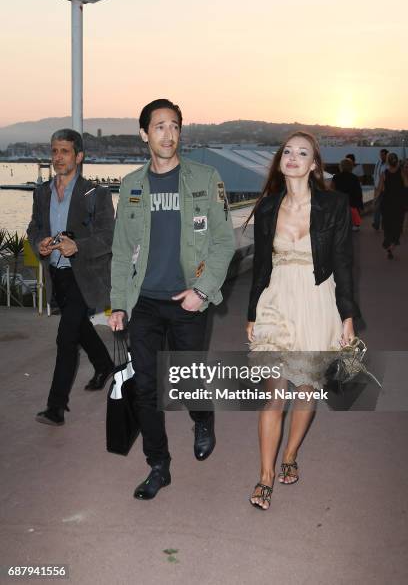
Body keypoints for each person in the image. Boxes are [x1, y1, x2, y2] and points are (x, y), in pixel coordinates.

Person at [108, 99, 235, 500]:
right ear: (144, 133)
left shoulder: (205, 177)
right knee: (147, 388)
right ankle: (158, 465)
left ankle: (202, 417)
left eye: (175, 126)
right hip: (144, 301)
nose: (168, 134)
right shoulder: (131, 185)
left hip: (187, 301)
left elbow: (223, 240)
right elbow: (120, 249)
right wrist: (118, 303)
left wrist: (202, 291)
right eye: (159, 126)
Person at [245, 131, 360, 510]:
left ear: (313, 165)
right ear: (281, 161)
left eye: (303, 153)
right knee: (274, 394)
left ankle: (290, 454)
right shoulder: (267, 208)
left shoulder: (333, 205)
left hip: (316, 298)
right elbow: (260, 266)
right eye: (288, 152)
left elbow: (343, 263)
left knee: (306, 389)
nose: (293, 157)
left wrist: (347, 317)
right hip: (276, 299)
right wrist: (251, 314)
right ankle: (264, 476)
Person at [27, 129, 115, 425]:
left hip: (84, 276)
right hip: (57, 275)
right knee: (78, 328)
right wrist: (38, 242)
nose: (57, 157)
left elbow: (108, 237)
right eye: (54, 151)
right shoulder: (41, 193)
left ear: (79, 156)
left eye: (64, 151)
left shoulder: (96, 194)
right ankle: (104, 365)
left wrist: (78, 245)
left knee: (65, 337)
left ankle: (56, 407)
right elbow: (34, 228)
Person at [378, 152, 405, 259]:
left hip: (387, 202)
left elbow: (380, 189)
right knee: (397, 223)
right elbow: (406, 184)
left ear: (388, 162)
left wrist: (375, 200)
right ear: (397, 161)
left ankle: (387, 239)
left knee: (387, 222)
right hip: (398, 202)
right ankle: (392, 244)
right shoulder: (401, 172)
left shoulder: (384, 173)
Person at [332, 158, 364, 230]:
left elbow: (332, 191)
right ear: (351, 167)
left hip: (340, 204)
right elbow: (358, 192)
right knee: (354, 226)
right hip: (352, 204)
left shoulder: (336, 177)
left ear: (341, 166)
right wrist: (360, 205)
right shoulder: (354, 178)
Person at [372, 149, 388, 230]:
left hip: (386, 189)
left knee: (384, 207)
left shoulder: (389, 164)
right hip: (378, 188)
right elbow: (375, 174)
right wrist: (375, 185)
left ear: (386, 155)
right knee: (376, 206)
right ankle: (376, 223)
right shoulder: (378, 162)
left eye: (383, 155)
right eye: (380, 154)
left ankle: (383, 224)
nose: (381, 156)